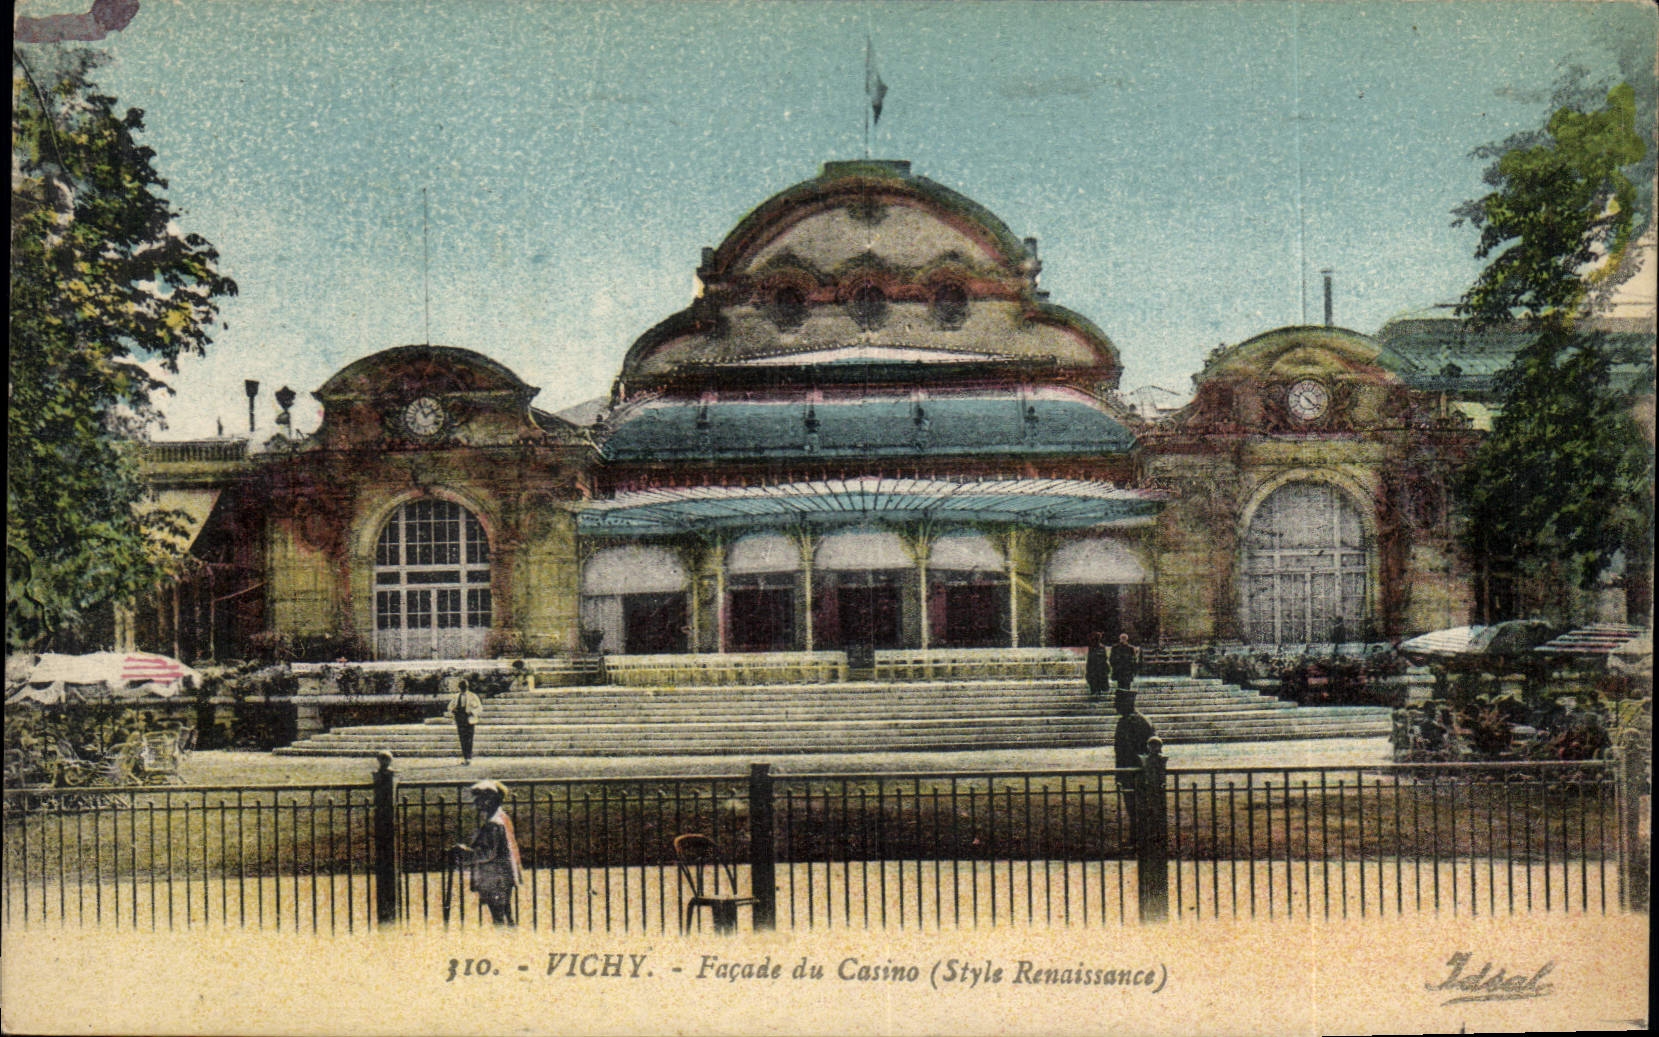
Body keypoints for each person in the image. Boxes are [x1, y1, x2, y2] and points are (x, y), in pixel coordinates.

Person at [453, 780, 521, 925]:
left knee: (499, 918)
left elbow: (487, 853)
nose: (476, 801)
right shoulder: (502, 817)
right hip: (504, 874)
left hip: (495, 876)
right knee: (506, 916)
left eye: (480, 797)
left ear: (490, 800)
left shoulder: (493, 824)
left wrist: (464, 853)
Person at [1113, 691, 1157, 848]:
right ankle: (1137, 838)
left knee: (1137, 807)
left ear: (1128, 703)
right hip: (1129, 771)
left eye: (1118, 702)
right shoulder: (1128, 721)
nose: (1115, 706)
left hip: (1136, 771)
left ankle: (1141, 839)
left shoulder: (1137, 722)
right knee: (1133, 807)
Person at [445, 676, 483, 765]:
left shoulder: (473, 696)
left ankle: (469, 757)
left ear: (467, 687)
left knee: (469, 739)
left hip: (469, 719)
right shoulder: (456, 696)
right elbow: (449, 706)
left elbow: (479, 708)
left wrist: (472, 712)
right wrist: (453, 709)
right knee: (462, 739)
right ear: (459, 687)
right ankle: (465, 757)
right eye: (461, 687)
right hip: (460, 719)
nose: (463, 689)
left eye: (464, 687)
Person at [1110, 632, 1140, 706]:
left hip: (1127, 672)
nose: (1123, 640)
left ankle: (1126, 703)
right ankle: (1120, 703)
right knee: (1120, 687)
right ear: (1120, 639)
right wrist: (1115, 667)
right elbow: (1111, 659)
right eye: (1122, 638)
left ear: (1127, 639)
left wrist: (1133, 671)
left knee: (1127, 687)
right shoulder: (1115, 648)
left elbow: (1134, 660)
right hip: (1119, 671)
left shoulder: (1131, 648)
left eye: (1124, 638)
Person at [1085, 631, 1109, 701]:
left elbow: (1104, 657)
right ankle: (1095, 693)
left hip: (1099, 668)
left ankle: (1097, 694)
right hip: (1094, 668)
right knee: (1094, 681)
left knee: (1098, 681)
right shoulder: (1092, 647)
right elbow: (1090, 658)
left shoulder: (1101, 647)